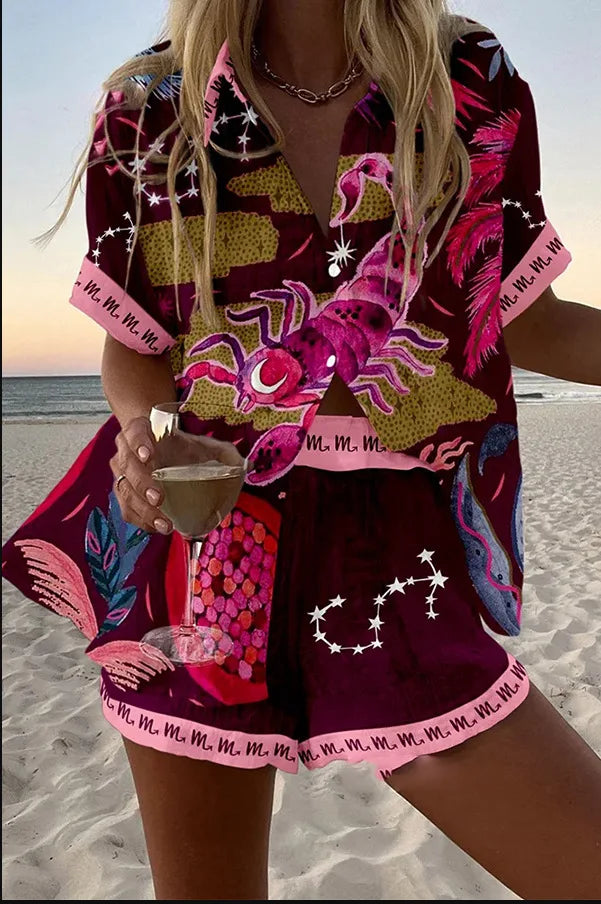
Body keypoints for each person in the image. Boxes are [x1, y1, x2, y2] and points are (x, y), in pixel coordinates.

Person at [3, 0, 601, 899]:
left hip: (401, 551)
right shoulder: (147, 102)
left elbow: (521, 314)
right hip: (204, 543)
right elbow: (136, 338)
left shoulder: (468, 76)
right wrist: (147, 434)